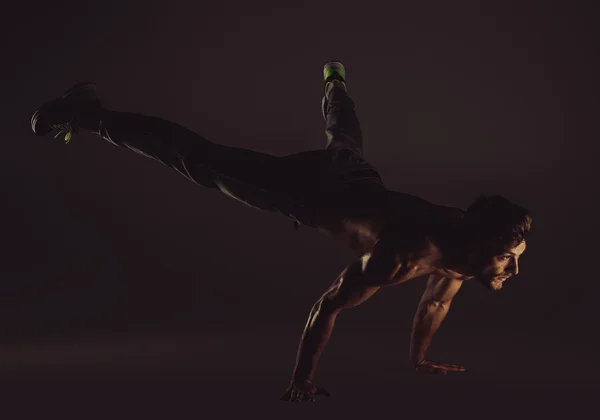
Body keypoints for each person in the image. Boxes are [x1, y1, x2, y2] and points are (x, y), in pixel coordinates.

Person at [31, 61, 532, 403]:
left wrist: (420, 358)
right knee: (198, 161)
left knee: (345, 138)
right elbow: (328, 304)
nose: (515, 267)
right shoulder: (404, 254)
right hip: (309, 192)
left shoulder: (465, 252)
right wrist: (302, 381)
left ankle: (334, 80)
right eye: (509, 256)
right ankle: (87, 110)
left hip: (356, 179)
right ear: (481, 246)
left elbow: (437, 302)